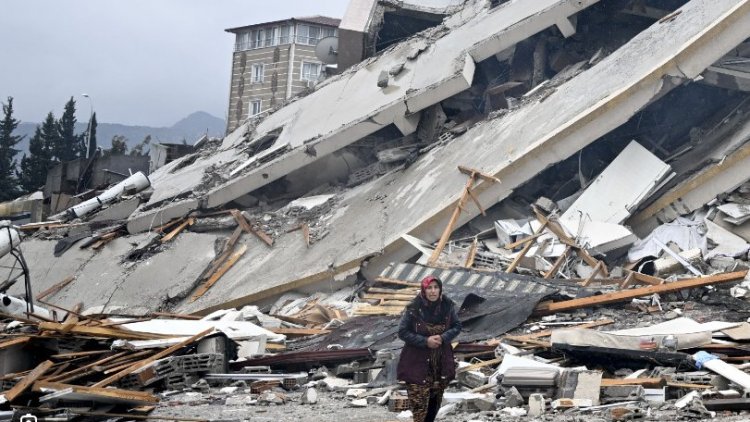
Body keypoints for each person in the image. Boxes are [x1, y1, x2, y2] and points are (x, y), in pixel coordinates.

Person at [397, 275, 462, 422]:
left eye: (436, 287)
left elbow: (457, 326)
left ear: (440, 289)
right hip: (416, 364)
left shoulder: (447, 306)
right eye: (429, 288)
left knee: (435, 403)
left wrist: (444, 337)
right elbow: (402, 332)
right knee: (419, 406)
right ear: (424, 290)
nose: (433, 291)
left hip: (440, 363)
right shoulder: (414, 308)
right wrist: (425, 341)